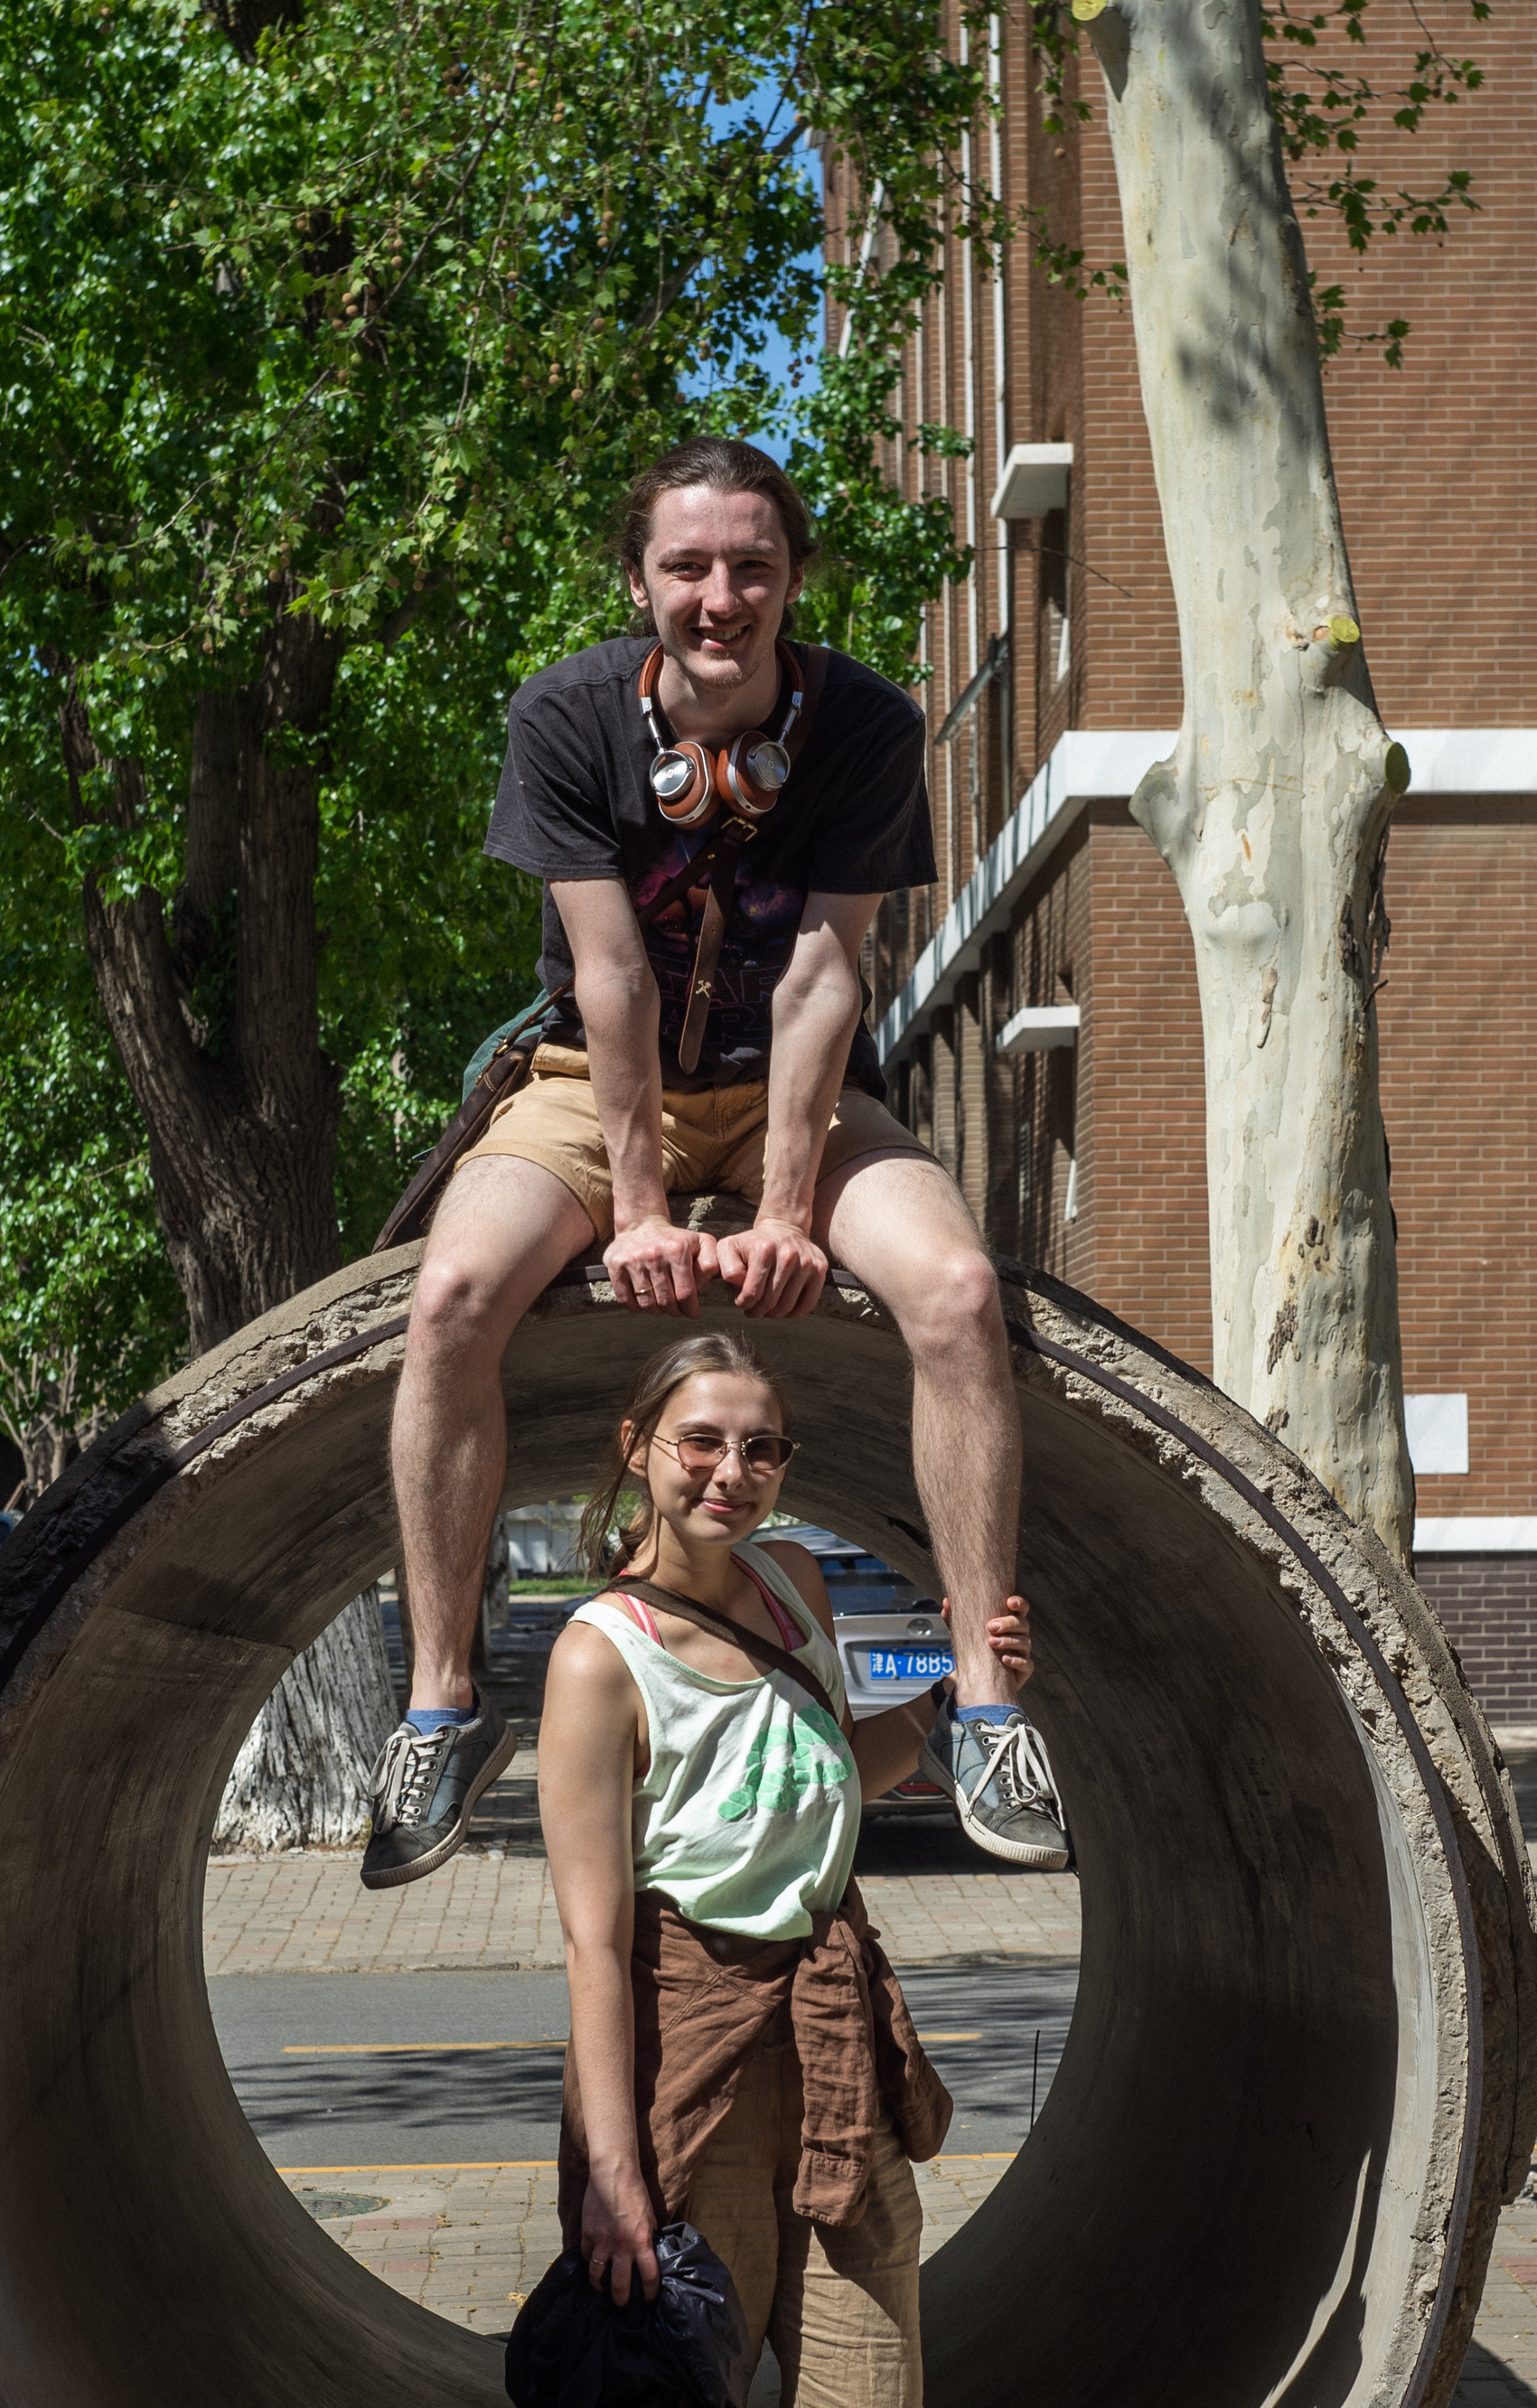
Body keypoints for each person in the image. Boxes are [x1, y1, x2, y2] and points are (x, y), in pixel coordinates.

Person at [363, 435, 1068, 1893]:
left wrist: (790, 1209)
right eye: (687, 565)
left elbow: (826, 976)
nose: (719, 595)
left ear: (793, 580)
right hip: (589, 1083)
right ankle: (441, 1705)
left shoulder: (865, 726)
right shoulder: (565, 718)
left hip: (790, 1096)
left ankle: (986, 1711)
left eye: (752, 564)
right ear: (640, 581)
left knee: (951, 1295)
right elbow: (608, 974)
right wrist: (634, 1214)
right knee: (448, 1305)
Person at [536, 1327, 1039, 2408]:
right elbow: (593, 1942)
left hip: (835, 2037)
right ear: (638, 1444)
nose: (731, 1473)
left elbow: (843, 1770)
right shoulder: (598, 1655)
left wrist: (969, 1686)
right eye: (700, 1441)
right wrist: (616, 2175)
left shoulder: (801, 1596)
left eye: (759, 1448)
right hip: (686, 2049)